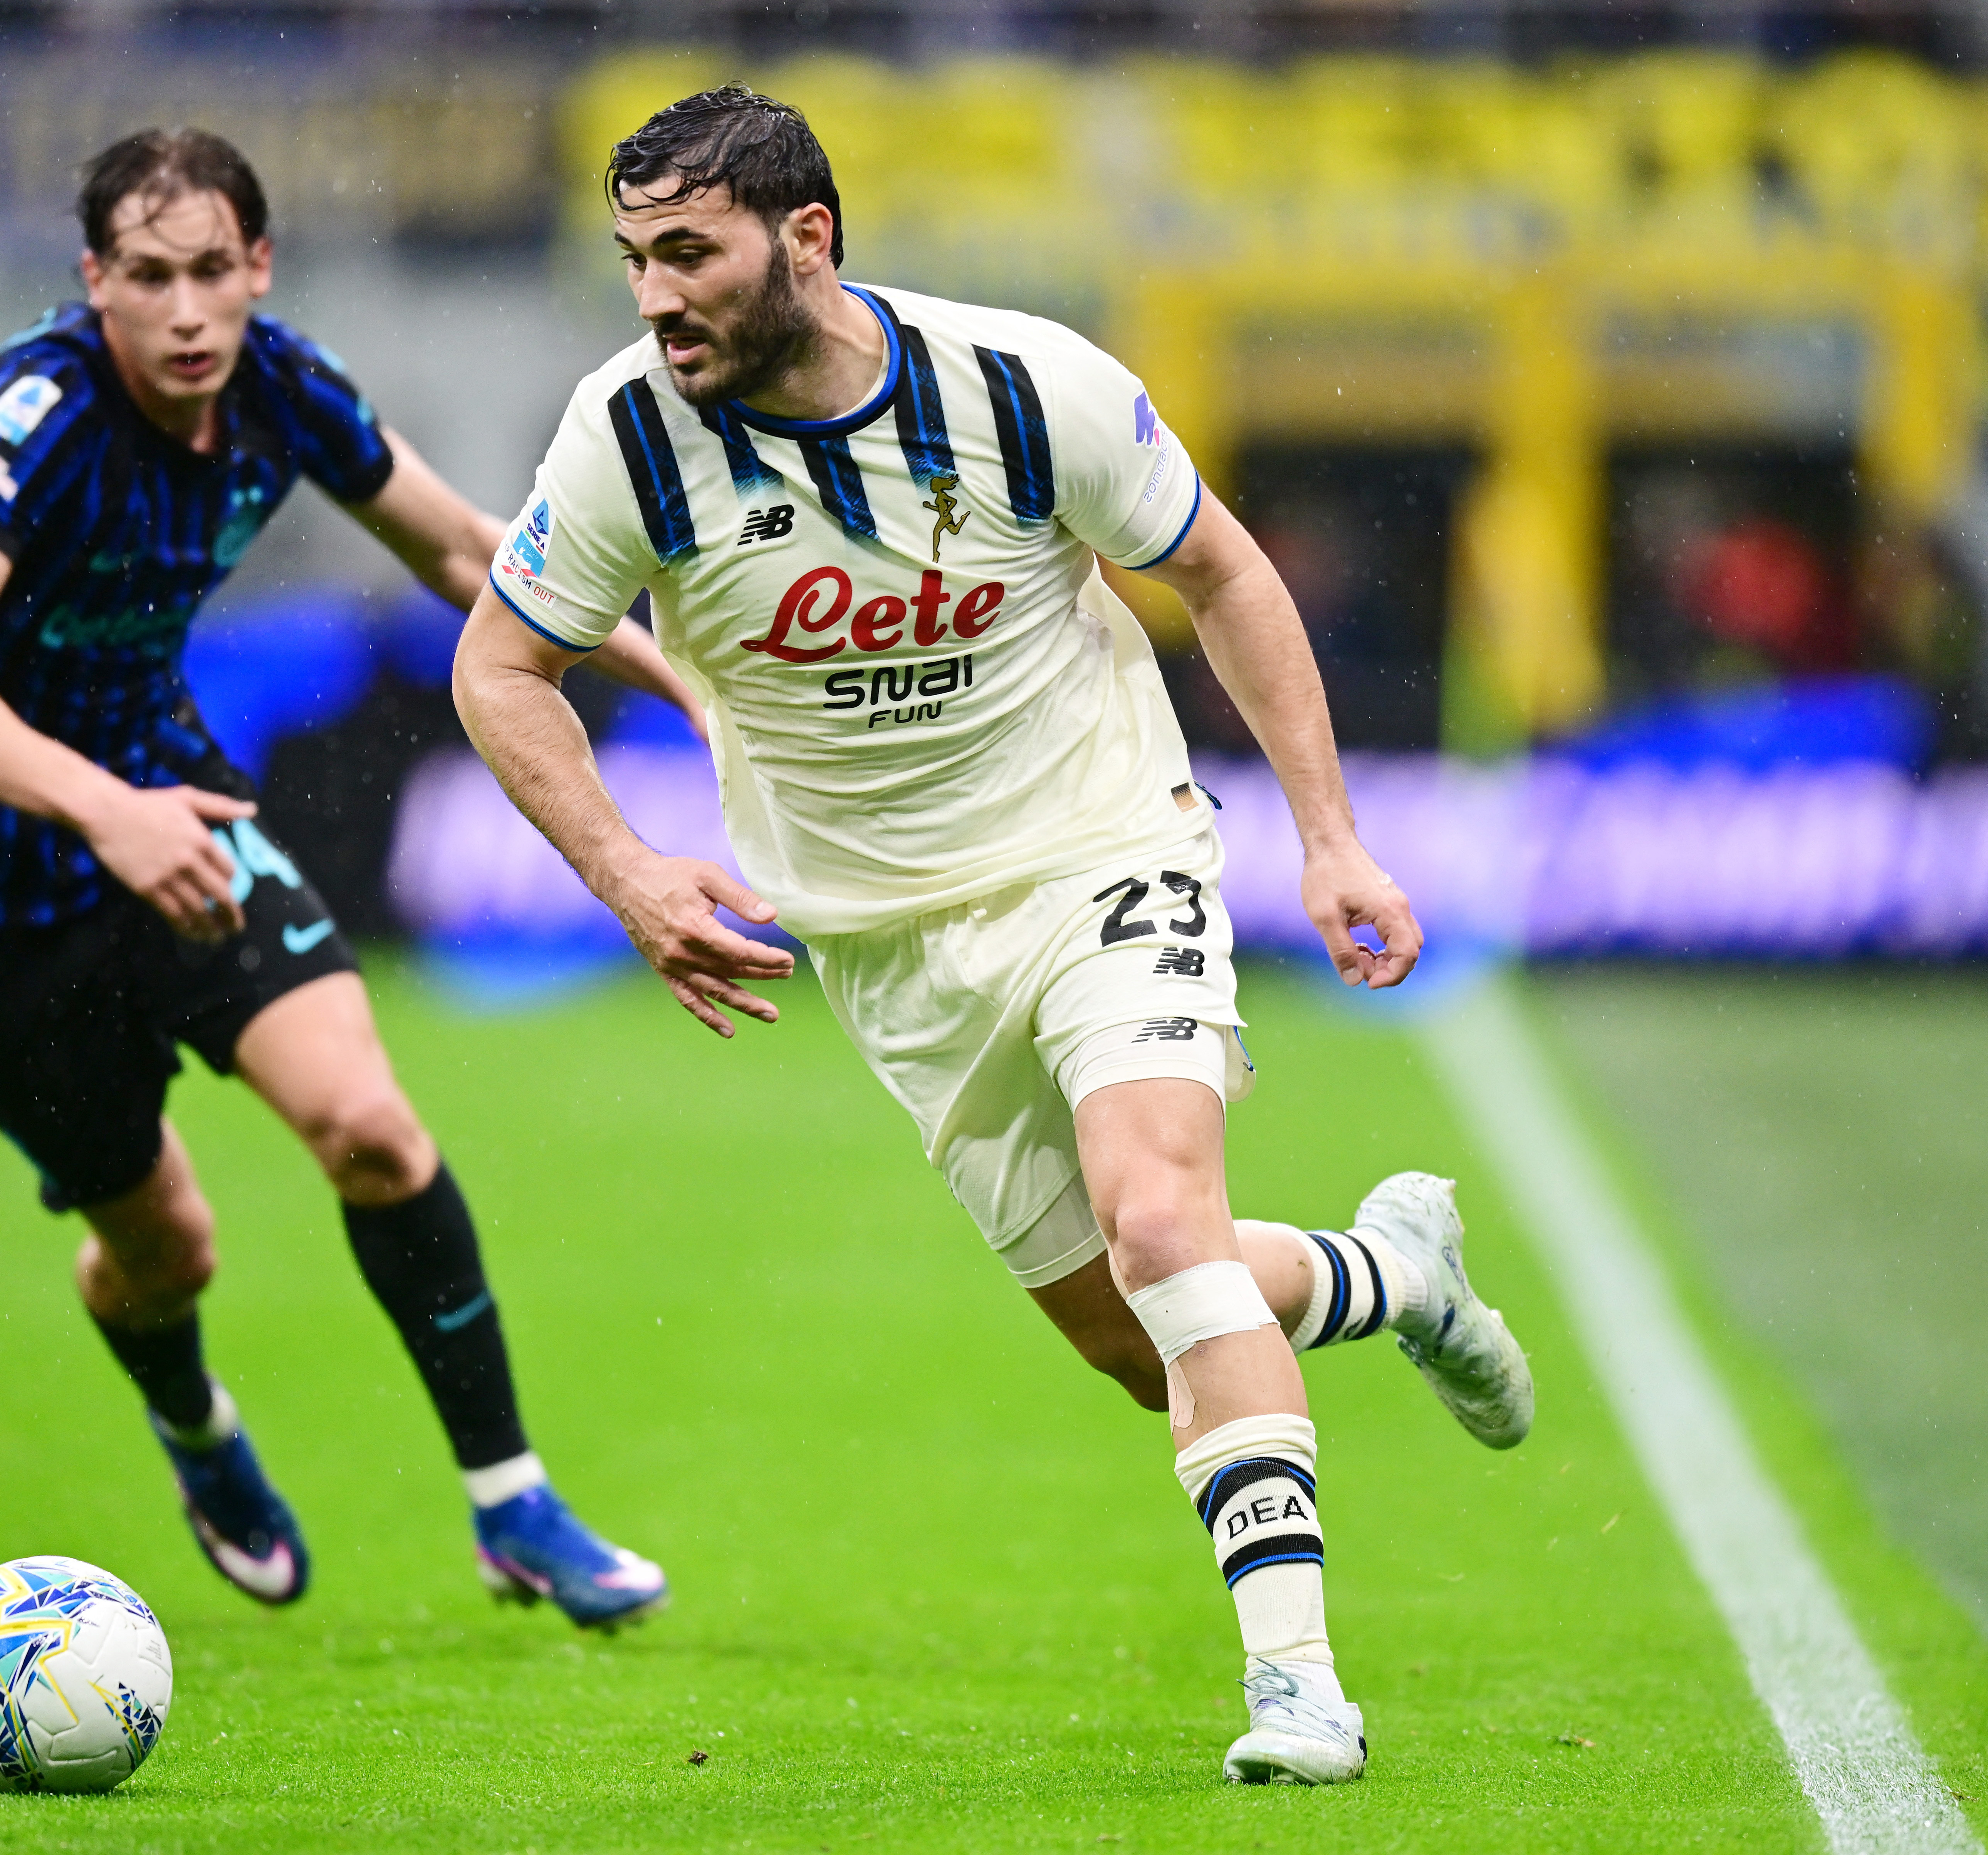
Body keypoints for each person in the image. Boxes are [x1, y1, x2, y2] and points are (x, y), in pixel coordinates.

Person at [450, 87, 1535, 1778]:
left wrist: (1329, 838)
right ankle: (1390, 1276)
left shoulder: (1022, 387)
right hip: (891, 952)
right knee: (1140, 1334)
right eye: (633, 260)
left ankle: (1298, 1689)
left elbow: (1225, 574)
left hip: (1102, 850)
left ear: (806, 239)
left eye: (689, 254)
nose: (655, 298)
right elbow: (500, 665)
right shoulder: (630, 440)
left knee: (1160, 1217)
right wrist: (627, 870)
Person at [0, 127, 685, 1631]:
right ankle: (196, 1430)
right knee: (164, 1248)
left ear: (259, 268)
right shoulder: (30, 416)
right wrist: (102, 812)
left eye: (211, 271)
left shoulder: (283, 383)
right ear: (94, 279)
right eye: (148, 276)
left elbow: (463, 551)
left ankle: (513, 1505)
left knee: (370, 1129)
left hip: (176, 810)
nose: (184, 311)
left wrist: (681, 677)